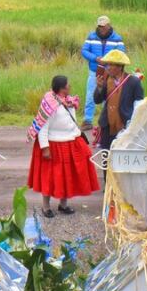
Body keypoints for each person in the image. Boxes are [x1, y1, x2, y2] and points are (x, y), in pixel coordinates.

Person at [27, 75, 98, 218]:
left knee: (67, 175)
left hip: (69, 141)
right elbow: (42, 127)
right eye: (68, 84)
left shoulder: (68, 101)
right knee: (50, 177)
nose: (70, 86)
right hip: (54, 144)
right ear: (61, 88)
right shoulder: (49, 104)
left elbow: (72, 122)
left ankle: (63, 205)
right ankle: (46, 207)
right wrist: (45, 148)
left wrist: (78, 136)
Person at [81, 16, 126, 132]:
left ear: (109, 25)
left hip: (110, 73)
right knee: (91, 95)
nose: (101, 28)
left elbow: (121, 53)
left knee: (109, 96)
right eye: (100, 26)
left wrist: (108, 60)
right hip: (94, 71)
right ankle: (87, 120)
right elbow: (84, 51)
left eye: (104, 26)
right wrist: (95, 58)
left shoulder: (117, 38)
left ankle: (107, 120)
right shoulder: (91, 37)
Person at [92, 49, 143, 150]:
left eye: (111, 65)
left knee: (123, 156)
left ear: (120, 67)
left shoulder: (134, 81)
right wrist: (99, 87)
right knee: (106, 155)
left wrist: (134, 123)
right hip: (107, 124)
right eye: (108, 65)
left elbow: (139, 105)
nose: (108, 68)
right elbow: (97, 100)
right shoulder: (106, 79)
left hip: (125, 125)